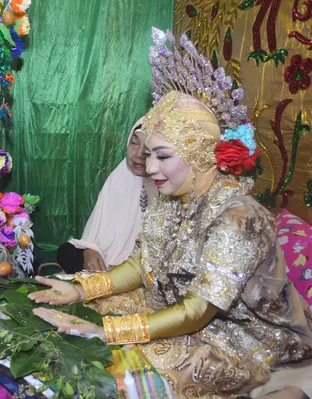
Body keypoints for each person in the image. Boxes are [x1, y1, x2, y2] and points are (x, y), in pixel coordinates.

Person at [28, 30, 312, 398]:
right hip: (180, 310)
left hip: (246, 333)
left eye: (162, 155)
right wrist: (79, 291)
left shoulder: (239, 218)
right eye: (148, 154)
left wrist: (108, 333)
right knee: (88, 311)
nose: (149, 166)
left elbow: (197, 311)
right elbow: (138, 266)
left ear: (199, 153)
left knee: (131, 361)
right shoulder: (170, 199)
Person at [56, 118, 157, 273]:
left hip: (145, 270)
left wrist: (128, 271)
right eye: (134, 143)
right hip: (107, 265)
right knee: (66, 252)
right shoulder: (120, 175)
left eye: (149, 148)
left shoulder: (168, 185)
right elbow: (96, 234)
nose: (139, 154)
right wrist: (89, 251)